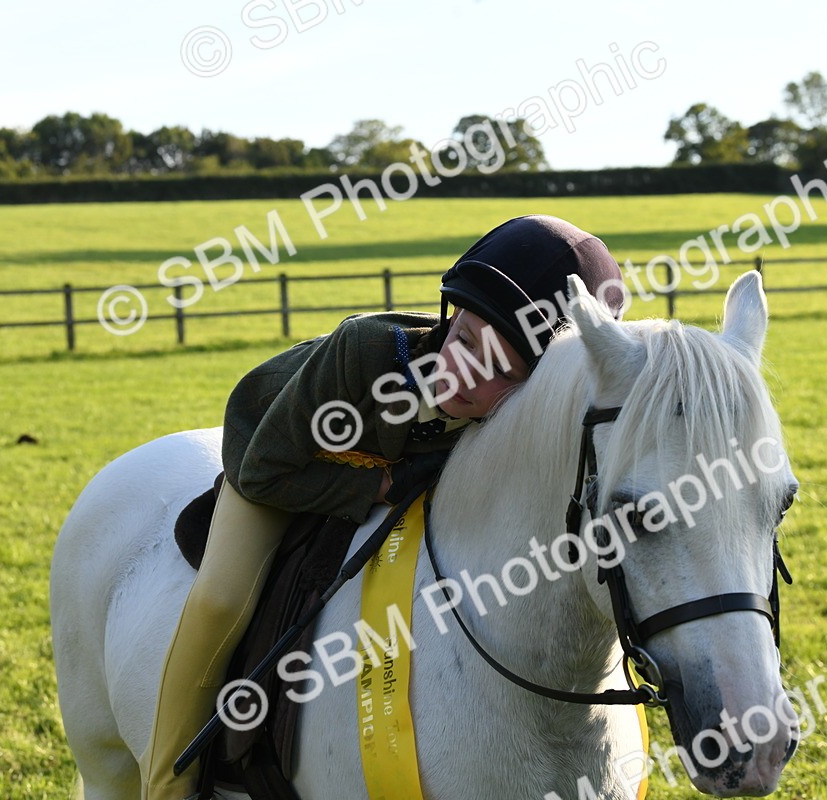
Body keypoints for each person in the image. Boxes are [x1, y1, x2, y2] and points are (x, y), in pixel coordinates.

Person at [141, 214, 627, 799]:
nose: (461, 372)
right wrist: (377, 489)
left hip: (371, 465)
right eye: (464, 341)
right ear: (450, 317)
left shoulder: (521, 427)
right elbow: (263, 470)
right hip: (282, 453)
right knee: (219, 599)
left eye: (498, 370)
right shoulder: (363, 353)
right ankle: (169, 780)